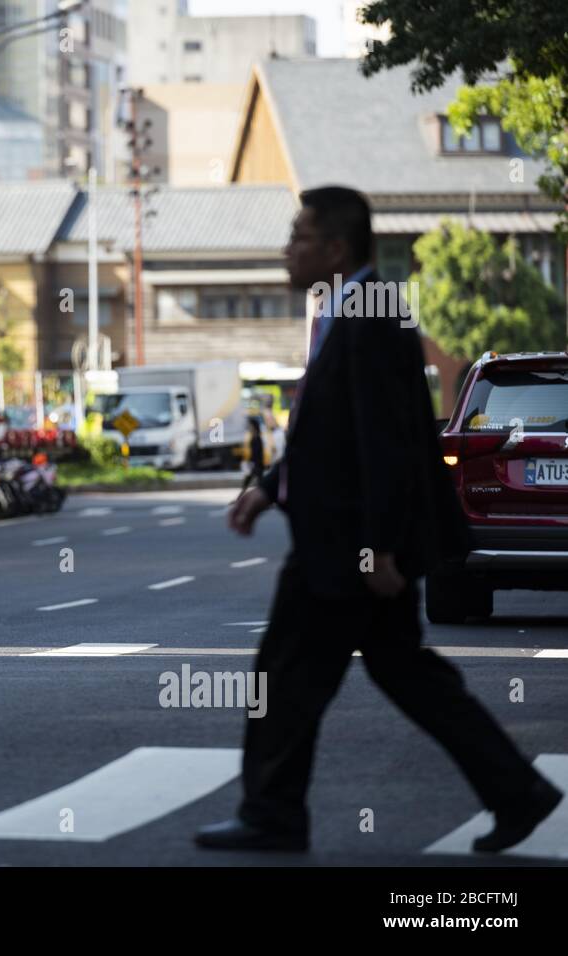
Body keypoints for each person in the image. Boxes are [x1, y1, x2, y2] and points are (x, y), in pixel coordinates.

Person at [196, 185, 562, 853]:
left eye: (300, 235)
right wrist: (269, 486)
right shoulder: (347, 311)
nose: (288, 248)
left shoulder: (373, 316)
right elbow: (330, 432)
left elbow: (388, 441)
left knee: (289, 677)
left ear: (335, 247)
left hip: (349, 551)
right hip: (344, 545)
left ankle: (272, 815)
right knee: (402, 676)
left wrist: (381, 549)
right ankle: (519, 792)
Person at [240, 416, 265, 493]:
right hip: (255, 464)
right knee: (250, 482)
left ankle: (239, 498)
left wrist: (253, 463)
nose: (249, 427)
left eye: (250, 425)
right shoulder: (253, 437)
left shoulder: (257, 438)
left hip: (257, 465)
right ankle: (239, 498)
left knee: (258, 483)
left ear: (254, 426)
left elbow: (258, 453)